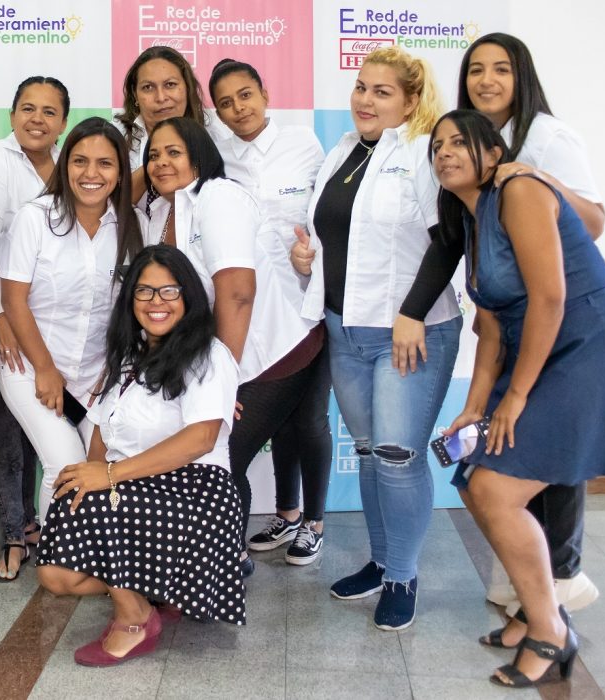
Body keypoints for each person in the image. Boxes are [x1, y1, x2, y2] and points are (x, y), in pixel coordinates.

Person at [430, 109, 605, 687]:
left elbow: (549, 298)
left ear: (493, 154)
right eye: (436, 146)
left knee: (494, 487)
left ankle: (550, 632)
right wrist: (475, 405)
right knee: (473, 478)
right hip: (539, 350)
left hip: (589, 346)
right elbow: (490, 327)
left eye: (460, 141)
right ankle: (535, 611)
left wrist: (514, 399)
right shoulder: (471, 221)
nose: (445, 152)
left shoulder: (518, 188)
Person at [411, 33, 605, 627]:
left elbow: (594, 222)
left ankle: (557, 593)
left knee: (551, 465)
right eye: (475, 70)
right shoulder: (466, 159)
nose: (487, 80)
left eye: (501, 70)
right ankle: (530, 598)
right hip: (514, 325)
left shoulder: (544, 141)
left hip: (564, 328)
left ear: (521, 77)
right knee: (505, 464)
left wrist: (536, 183)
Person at [289, 46, 460, 630]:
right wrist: (306, 258)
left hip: (410, 334)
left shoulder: (422, 153)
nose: (364, 99)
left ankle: (404, 575)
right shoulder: (343, 152)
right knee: (367, 451)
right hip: (344, 327)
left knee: (397, 454)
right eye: (361, 87)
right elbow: (340, 237)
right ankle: (383, 559)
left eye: (382, 92)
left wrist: (412, 312)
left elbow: (447, 241)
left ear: (412, 100)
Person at [37, 244, 245, 667]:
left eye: (169, 292)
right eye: (144, 292)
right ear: (130, 301)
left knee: (97, 501)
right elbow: (100, 429)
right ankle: (159, 588)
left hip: (196, 490)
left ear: (188, 297)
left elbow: (201, 439)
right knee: (56, 572)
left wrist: (110, 475)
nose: (156, 303)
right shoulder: (129, 357)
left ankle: (135, 619)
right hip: (134, 483)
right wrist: (93, 472)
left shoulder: (210, 354)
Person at [143, 116, 322, 579]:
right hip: (226, 358)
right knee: (210, 455)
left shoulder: (218, 197)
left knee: (221, 454)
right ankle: (216, 559)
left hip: (271, 356)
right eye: (154, 154)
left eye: (173, 153)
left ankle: (225, 566)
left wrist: (222, 385)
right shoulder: (166, 213)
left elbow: (237, 293)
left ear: (199, 155)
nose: (161, 162)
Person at [208, 57, 334, 567]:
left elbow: (325, 217)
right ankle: (285, 514)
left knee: (309, 423)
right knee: (273, 425)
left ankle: (314, 522)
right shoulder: (216, 157)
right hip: (249, 319)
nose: (238, 108)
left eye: (245, 94)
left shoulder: (304, 143)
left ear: (263, 91)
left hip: (307, 307)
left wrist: (314, 254)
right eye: (225, 102)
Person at [0, 116, 147, 535]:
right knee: (64, 462)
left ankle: (91, 552)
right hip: (33, 367)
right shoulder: (35, 218)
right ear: (65, 166)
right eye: (80, 161)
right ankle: (58, 559)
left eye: (105, 164)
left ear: (120, 173)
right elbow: (14, 300)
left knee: (102, 465)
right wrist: (45, 369)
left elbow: (130, 313)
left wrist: (113, 374)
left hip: (101, 374)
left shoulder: (131, 227)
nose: (91, 174)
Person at [0, 76, 69, 581]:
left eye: (49, 112)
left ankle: (34, 525)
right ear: (11, 115)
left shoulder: (72, 169)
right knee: (1, 429)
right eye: (28, 108)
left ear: (63, 123)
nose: (37, 120)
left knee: (39, 428)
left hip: (52, 321)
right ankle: (12, 535)